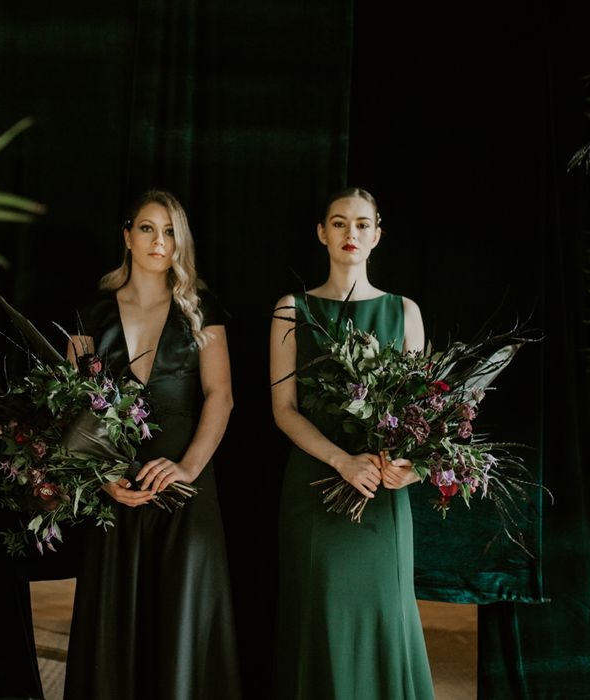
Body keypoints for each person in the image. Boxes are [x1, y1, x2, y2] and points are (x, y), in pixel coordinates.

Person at [63, 189, 241, 700]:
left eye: (169, 232)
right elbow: (74, 409)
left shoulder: (200, 308)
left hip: (185, 486)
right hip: (117, 487)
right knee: (115, 618)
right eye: (147, 228)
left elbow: (221, 397)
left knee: (182, 615)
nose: (158, 242)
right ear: (127, 236)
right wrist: (102, 478)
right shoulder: (91, 314)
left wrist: (186, 469)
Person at [269, 187, 435, 699]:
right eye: (339, 223)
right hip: (317, 484)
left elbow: (423, 416)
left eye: (362, 224)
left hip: (381, 492)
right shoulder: (290, 308)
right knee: (320, 614)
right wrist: (341, 460)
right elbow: (283, 409)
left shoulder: (404, 311)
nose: (351, 233)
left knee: (386, 612)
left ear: (377, 234)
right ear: (322, 233)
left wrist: (410, 465)